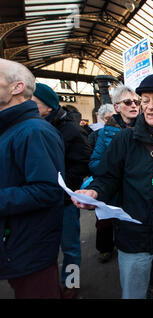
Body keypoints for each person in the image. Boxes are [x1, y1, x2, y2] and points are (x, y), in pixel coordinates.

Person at [71, 74, 153, 299]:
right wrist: (94, 191)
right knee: (133, 293)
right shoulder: (124, 140)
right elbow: (106, 177)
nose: (150, 107)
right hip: (134, 237)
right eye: (145, 100)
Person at [0, 58, 65, 298]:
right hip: (15, 243)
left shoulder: (34, 131)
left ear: (16, 87)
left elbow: (48, 190)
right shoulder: (12, 129)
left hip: (28, 246)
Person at [32, 83, 91, 299]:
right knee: (42, 246)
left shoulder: (71, 130)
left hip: (64, 200)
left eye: (34, 103)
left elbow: (83, 162)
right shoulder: (32, 125)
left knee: (71, 247)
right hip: (38, 201)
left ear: (48, 106)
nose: (29, 106)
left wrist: (65, 187)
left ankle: (71, 283)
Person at [88, 85, 140, 263]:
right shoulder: (104, 133)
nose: (134, 105)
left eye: (137, 102)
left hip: (139, 192)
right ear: (117, 107)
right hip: (115, 193)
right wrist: (114, 165)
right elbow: (94, 163)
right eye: (127, 102)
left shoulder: (148, 129)